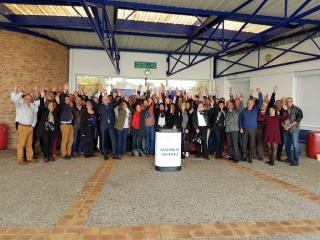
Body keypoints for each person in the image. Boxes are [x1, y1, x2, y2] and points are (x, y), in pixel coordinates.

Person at [11, 82, 39, 165]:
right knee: (21, 144)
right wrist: (18, 91)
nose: (28, 100)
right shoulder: (19, 105)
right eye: (26, 98)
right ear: (23, 99)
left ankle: (30, 158)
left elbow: (34, 117)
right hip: (22, 127)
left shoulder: (32, 107)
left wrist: (33, 126)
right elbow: (14, 99)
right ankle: (20, 159)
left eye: (29, 99)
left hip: (30, 127)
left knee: (29, 144)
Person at [93, 92, 123, 160]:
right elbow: (93, 103)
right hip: (103, 126)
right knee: (104, 140)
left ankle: (115, 154)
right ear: (102, 100)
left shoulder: (111, 105)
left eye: (107, 98)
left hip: (111, 126)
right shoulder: (99, 106)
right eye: (105, 98)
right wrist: (91, 95)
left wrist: (120, 96)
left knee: (113, 139)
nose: (106, 99)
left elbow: (118, 102)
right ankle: (105, 154)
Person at [239, 88, 263, 163]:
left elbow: (261, 101)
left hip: (253, 130)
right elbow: (240, 120)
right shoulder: (243, 110)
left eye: (251, 103)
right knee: (244, 144)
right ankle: (244, 156)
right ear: (247, 103)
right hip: (245, 129)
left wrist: (259, 93)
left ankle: (250, 157)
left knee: (251, 144)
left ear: (253, 104)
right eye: (248, 103)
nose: (249, 104)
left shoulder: (255, 109)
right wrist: (241, 128)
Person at [282, 97, 303, 166]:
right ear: (285, 102)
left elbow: (299, 118)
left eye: (290, 101)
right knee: (287, 145)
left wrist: (290, 125)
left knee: (295, 145)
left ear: (292, 101)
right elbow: (281, 119)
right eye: (287, 101)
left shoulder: (297, 109)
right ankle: (290, 158)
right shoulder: (283, 109)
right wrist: (284, 126)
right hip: (285, 130)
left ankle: (296, 161)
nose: (288, 102)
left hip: (294, 130)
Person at [57, 84, 74, 160]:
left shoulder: (70, 106)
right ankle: (64, 154)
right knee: (65, 140)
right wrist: (65, 90)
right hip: (64, 125)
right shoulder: (62, 105)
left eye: (68, 99)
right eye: (66, 99)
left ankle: (68, 153)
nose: (67, 100)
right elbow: (62, 97)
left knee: (71, 140)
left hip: (70, 125)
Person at [225, 96, 243, 163]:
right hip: (227, 130)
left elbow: (241, 108)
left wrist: (241, 101)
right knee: (230, 144)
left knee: (235, 144)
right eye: (228, 105)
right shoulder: (226, 112)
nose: (229, 106)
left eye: (230, 105)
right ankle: (232, 156)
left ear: (233, 106)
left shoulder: (236, 111)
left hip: (234, 130)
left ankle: (236, 157)